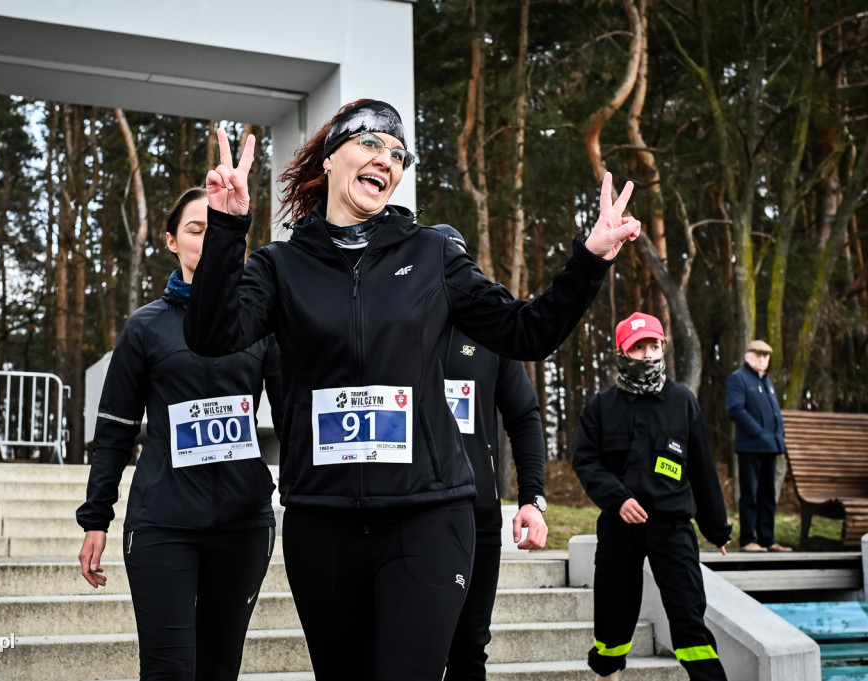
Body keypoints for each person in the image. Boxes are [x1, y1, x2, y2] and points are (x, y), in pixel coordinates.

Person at [186, 99, 641, 681]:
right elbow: (211, 336)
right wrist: (227, 227)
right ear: (331, 158)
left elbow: (528, 332)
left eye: (399, 155)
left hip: (427, 517)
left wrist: (592, 256)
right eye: (372, 144)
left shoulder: (433, 254)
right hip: (321, 523)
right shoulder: (281, 266)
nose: (388, 161)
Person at [76, 187, 283, 681]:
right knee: (169, 669)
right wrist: (96, 518)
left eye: (217, 232)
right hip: (162, 522)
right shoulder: (145, 327)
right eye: (196, 230)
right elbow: (114, 432)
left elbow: (296, 419)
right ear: (171, 241)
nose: (207, 242)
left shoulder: (261, 325)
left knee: (219, 667)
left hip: (243, 524)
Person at [572, 312, 732, 681]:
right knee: (614, 615)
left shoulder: (684, 403)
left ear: (663, 347)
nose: (647, 354)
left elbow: (703, 470)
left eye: (653, 345)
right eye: (638, 346)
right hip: (619, 526)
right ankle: (608, 672)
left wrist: (717, 528)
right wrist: (617, 499)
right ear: (622, 352)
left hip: (672, 526)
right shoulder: (600, 407)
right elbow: (586, 461)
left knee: (688, 612)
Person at [434, 224, 548, 681]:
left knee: (469, 648)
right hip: (411, 511)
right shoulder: (398, 325)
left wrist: (532, 499)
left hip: (478, 516)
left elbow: (524, 417)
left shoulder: (489, 336)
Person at [726, 339, 789, 552]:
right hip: (750, 447)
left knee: (767, 495)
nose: (762, 359)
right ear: (747, 356)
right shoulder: (739, 379)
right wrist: (759, 433)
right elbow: (735, 409)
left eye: (766, 356)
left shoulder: (767, 382)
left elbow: (773, 414)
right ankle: (747, 540)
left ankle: (767, 539)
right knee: (750, 494)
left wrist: (777, 437)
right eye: (758, 355)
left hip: (769, 447)